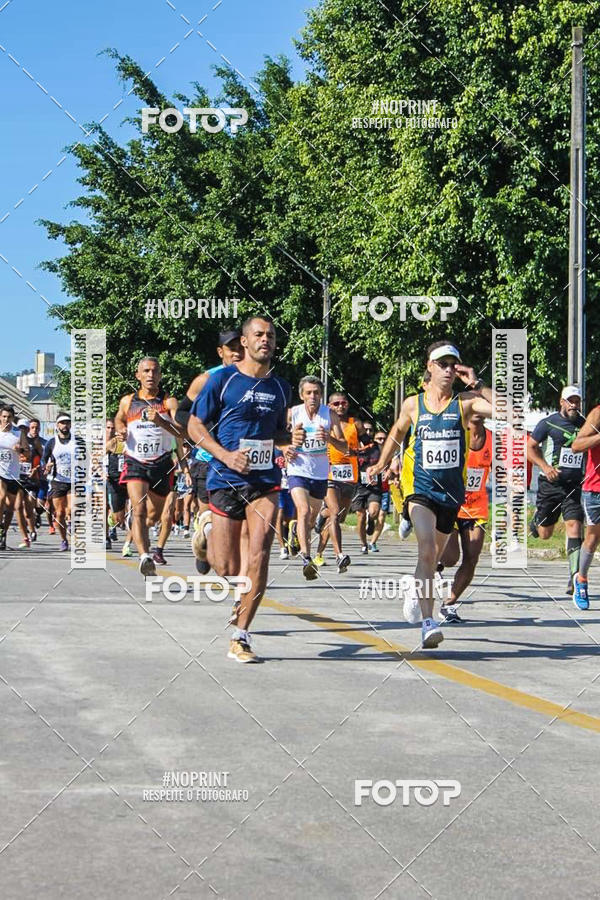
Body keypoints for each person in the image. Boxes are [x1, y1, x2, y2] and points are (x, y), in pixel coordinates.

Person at [369, 341, 493, 649]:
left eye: (453, 364)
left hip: (450, 494)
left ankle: (415, 587)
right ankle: (428, 622)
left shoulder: (466, 402)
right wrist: (382, 462)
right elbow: (397, 431)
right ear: (430, 366)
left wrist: (477, 383)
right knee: (426, 548)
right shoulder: (414, 404)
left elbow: (511, 411)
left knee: (437, 557)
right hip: (419, 489)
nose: (449, 369)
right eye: (443, 364)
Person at [188, 315, 294, 663]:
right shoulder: (222, 381)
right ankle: (204, 535)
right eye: (259, 335)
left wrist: (289, 441)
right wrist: (225, 455)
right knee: (227, 566)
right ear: (245, 343)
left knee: (260, 553)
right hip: (224, 478)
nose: (266, 340)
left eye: (271, 336)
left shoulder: (281, 388)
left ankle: (241, 636)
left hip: (264, 482)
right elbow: (194, 423)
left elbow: (277, 433)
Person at [114, 357, 181, 576]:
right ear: (138, 375)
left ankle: (143, 539)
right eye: (146, 371)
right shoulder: (128, 401)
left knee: (155, 516)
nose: (150, 375)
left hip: (161, 462)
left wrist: (161, 422)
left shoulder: (169, 402)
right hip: (135, 461)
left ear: (160, 375)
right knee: (139, 509)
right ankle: (144, 556)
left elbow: (181, 433)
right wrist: (121, 429)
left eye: (155, 371)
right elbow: (118, 419)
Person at [285, 376, 347, 578]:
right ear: (302, 395)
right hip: (297, 470)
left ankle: (296, 532)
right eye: (309, 393)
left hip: (320, 473)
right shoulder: (293, 413)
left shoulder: (329, 415)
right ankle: (306, 557)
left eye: (317, 393)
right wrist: (286, 448)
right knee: (303, 510)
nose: (313, 396)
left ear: (321, 395)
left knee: (311, 518)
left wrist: (329, 438)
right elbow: (277, 437)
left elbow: (345, 447)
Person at [527, 386, 585, 594]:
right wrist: (545, 467)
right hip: (550, 484)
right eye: (570, 401)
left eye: (577, 401)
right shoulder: (548, 423)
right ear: (562, 402)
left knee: (574, 526)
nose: (574, 405)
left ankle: (575, 577)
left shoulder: (585, 424)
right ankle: (536, 520)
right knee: (544, 534)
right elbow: (530, 447)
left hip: (575, 485)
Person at [437, 413, 493, 622]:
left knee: (472, 557)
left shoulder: (492, 439)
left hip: (476, 507)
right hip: (450, 503)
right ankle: (436, 564)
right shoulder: (454, 435)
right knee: (451, 558)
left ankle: (449, 604)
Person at [313, 392, 369, 572]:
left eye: (343, 403)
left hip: (349, 476)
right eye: (336, 403)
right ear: (329, 406)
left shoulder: (356, 424)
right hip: (329, 474)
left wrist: (359, 454)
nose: (340, 406)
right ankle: (340, 556)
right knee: (335, 513)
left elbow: (370, 447)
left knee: (338, 517)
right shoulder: (323, 423)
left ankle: (319, 551)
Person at [570, 399, 600, 610]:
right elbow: (576, 445)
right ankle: (581, 580)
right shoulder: (597, 414)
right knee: (592, 538)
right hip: (596, 489)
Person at [41, 413, 77, 551]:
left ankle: (72, 523)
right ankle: (64, 540)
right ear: (57, 425)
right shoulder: (52, 442)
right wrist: (46, 466)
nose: (65, 425)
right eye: (62, 423)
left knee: (72, 508)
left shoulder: (77, 441)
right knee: (60, 513)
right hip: (58, 480)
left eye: (67, 422)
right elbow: (44, 458)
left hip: (74, 480)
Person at [0, 405, 30, 550]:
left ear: (13, 418)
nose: (6, 419)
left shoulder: (18, 433)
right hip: (0, 473)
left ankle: (3, 534)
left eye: (9, 417)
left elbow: (27, 453)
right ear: (0, 417)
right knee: (1, 498)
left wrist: (20, 450)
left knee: (11, 508)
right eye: (4, 416)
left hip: (13, 474)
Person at [351, 425, 383, 555]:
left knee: (374, 512)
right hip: (358, 486)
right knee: (360, 516)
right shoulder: (354, 446)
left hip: (374, 486)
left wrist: (387, 471)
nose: (368, 433)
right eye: (365, 430)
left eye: (371, 430)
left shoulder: (378, 447)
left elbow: (388, 460)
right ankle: (363, 544)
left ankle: (371, 520)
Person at [105, 417, 128, 550]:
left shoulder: (128, 442)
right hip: (111, 480)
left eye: (114, 428)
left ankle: (114, 523)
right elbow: (96, 458)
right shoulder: (110, 443)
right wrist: (102, 472)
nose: (112, 430)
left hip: (127, 479)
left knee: (122, 514)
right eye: (108, 427)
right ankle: (107, 535)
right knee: (107, 508)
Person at [369, 431, 391, 551]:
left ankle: (372, 542)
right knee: (373, 513)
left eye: (384, 439)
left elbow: (396, 466)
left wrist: (391, 472)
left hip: (385, 490)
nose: (382, 441)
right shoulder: (370, 453)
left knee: (382, 516)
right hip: (372, 489)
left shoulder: (390, 453)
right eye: (379, 439)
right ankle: (370, 520)